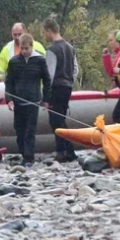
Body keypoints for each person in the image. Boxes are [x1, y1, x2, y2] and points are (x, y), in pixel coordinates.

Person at [4, 34, 51, 167]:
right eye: (22, 48)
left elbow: (46, 80)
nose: (24, 51)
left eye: (26, 48)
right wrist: (9, 98)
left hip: (33, 101)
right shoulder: (14, 61)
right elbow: (9, 82)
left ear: (32, 46)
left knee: (30, 130)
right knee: (19, 130)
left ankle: (29, 158)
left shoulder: (40, 60)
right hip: (18, 102)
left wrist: (46, 99)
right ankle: (23, 153)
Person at [42, 18, 77, 162]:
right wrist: (70, 82)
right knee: (62, 118)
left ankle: (62, 151)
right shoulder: (70, 47)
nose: (44, 35)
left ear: (49, 31)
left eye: (44, 32)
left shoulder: (51, 50)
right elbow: (75, 69)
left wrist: (45, 96)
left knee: (55, 120)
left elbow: (48, 74)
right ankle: (68, 150)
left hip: (56, 87)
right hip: (67, 86)